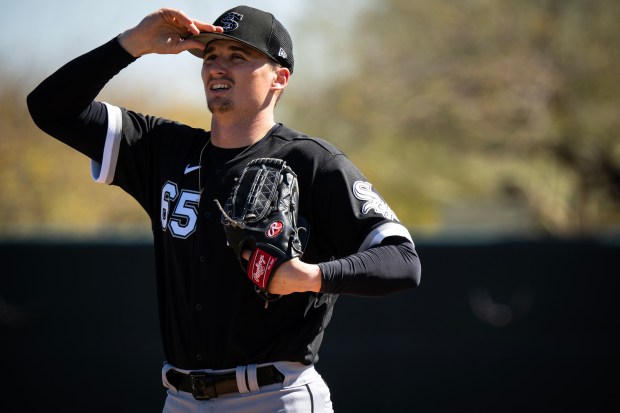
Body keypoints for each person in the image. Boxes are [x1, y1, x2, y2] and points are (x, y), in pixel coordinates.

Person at [27, 5, 421, 412]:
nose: (217, 67)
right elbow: (50, 108)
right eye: (211, 56)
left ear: (279, 78)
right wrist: (130, 45)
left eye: (238, 57)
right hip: (180, 399)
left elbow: (402, 262)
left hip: (275, 396)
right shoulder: (163, 149)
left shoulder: (311, 161)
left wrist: (312, 276)